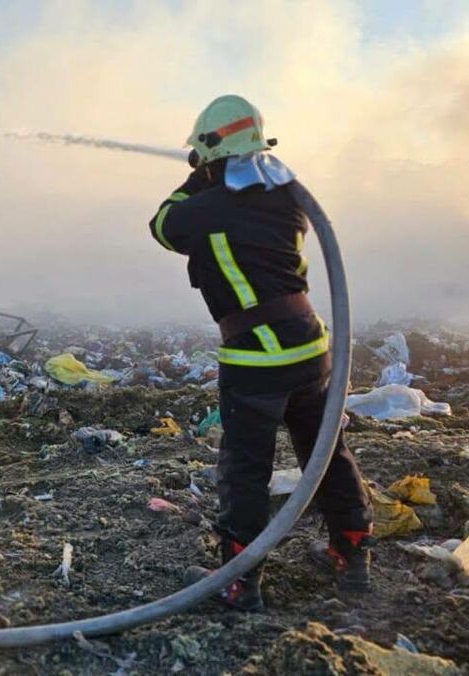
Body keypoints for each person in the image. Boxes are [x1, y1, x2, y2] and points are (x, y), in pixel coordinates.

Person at [149, 95, 374, 611]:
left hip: (257, 358)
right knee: (324, 453)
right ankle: (353, 552)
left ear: (210, 152)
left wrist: (197, 179)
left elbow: (163, 225)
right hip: (310, 349)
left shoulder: (205, 208)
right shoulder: (286, 194)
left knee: (245, 470)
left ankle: (239, 580)